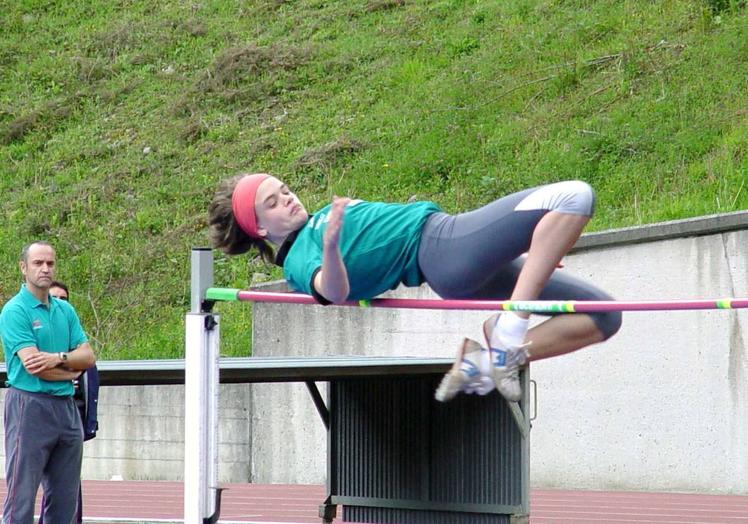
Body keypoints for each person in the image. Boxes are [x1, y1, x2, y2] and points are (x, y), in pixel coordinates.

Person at [208, 174, 622, 402]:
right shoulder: (302, 258)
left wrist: (540, 253)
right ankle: (511, 331)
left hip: (457, 256)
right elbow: (332, 292)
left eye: (285, 190)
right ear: (261, 228)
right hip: (443, 246)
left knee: (604, 315)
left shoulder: (318, 220)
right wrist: (332, 247)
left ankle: (484, 361)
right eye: (274, 203)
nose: (288, 199)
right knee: (574, 196)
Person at [0, 242, 96, 524]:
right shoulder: (15, 311)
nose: (45, 269)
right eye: (38, 263)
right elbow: (33, 366)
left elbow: (88, 356)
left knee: (65, 501)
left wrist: (56, 358)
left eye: (50, 263)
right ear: (23, 267)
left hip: (65, 410)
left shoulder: (65, 311)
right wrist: (71, 370)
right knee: (21, 498)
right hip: (30, 407)